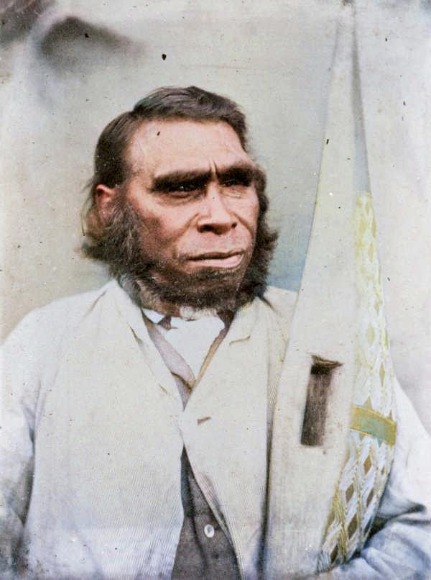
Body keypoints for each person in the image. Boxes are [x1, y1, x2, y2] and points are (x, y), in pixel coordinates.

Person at [1, 86, 430, 579]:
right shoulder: (43, 345)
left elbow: (421, 521)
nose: (221, 217)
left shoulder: (327, 344)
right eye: (181, 188)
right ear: (110, 207)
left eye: (236, 183)